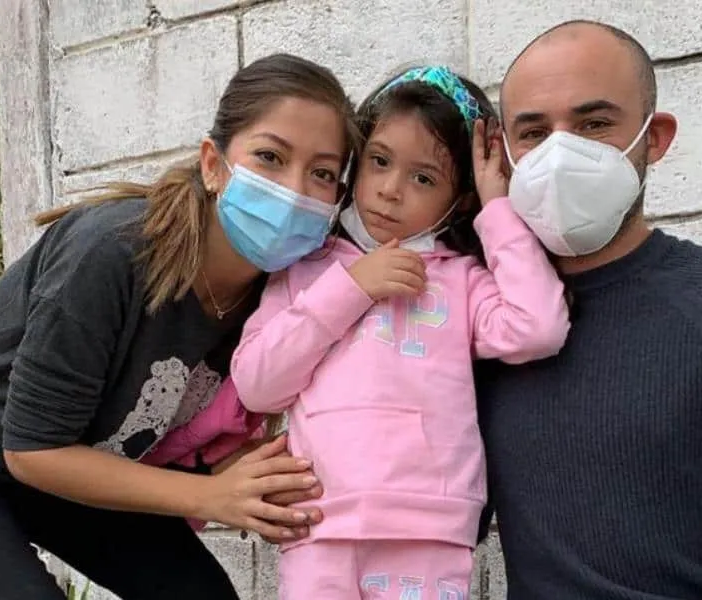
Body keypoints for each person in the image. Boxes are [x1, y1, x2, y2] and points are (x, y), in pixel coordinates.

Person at [0, 53, 361, 600]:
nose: (293, 190)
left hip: (67, 463)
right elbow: (31, 451)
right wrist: (211, 497)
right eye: (270, 156)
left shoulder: (282, 292)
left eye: (321, 173)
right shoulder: (110, 254)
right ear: (213, 164)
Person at [476, 20, 702, 599]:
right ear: (503, 155)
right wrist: (265, 482)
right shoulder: (482, 325)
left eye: (594, 124)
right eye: (533, 132)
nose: (562, 151)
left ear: (654, 137)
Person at [231, 65, 570, 599]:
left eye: (423, 178)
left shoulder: (459, 280)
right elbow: (257, 384)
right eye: (379, 162)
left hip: (428, 526)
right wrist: (352, 288)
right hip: (319, 524)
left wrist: (498, 208)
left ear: (458, 200)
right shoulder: (305, 269)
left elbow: (538, 328)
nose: (390, 191)